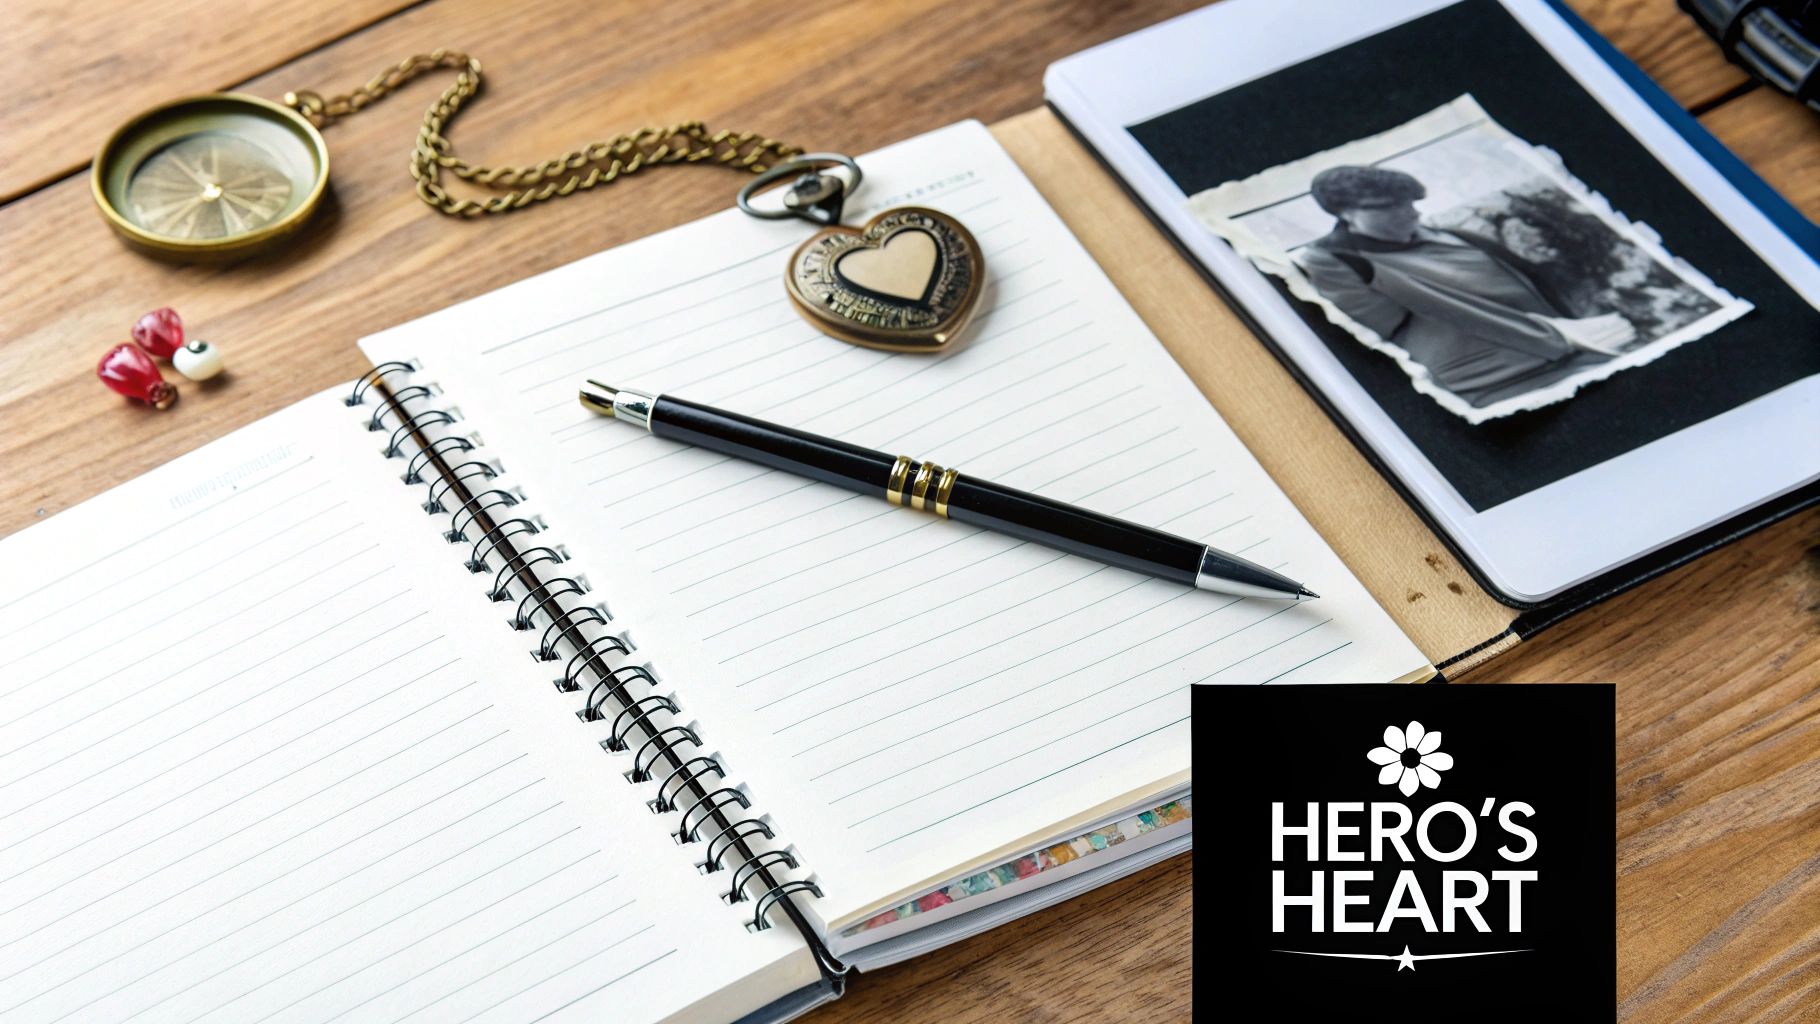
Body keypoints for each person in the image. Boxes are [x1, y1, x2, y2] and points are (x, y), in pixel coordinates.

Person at [1299, 165, 1634, 409]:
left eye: (1410, 202)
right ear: (1345, 212)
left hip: (1576, 351)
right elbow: (1386, 328)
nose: (1410, 213)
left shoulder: (1445, 233)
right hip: (1498, 383)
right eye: (1390, 207)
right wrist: (1555, 334)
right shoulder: (1332, 259)